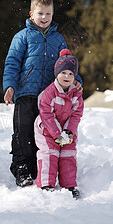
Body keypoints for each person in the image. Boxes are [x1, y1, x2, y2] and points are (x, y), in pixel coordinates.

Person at [3, 0, 82, 187]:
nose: (44, 17)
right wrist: (10, 86)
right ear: (31, 14)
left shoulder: (57, 39)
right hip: (25, 93)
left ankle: (42, 166)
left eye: (48, 13)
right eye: (40, 13)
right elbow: (12, 62)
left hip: (48, 96)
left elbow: (67, 63)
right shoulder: (22, 36)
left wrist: (76, 80)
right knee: (23, 132)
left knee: (45, 131)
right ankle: (22, 168)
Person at [34, 49, 84, 199]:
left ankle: (69, 185)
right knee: (50, 154)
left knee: (68, 154)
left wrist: (68, 132)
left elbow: (76, 115)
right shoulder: (50, 92)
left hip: (66, 130)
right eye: (63, 73)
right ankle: (46, 184)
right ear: (57, 74)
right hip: (47, 130)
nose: (67, 77)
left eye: (71, 74)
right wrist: (57, 134)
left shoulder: (76, 94)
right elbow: (46, 114)